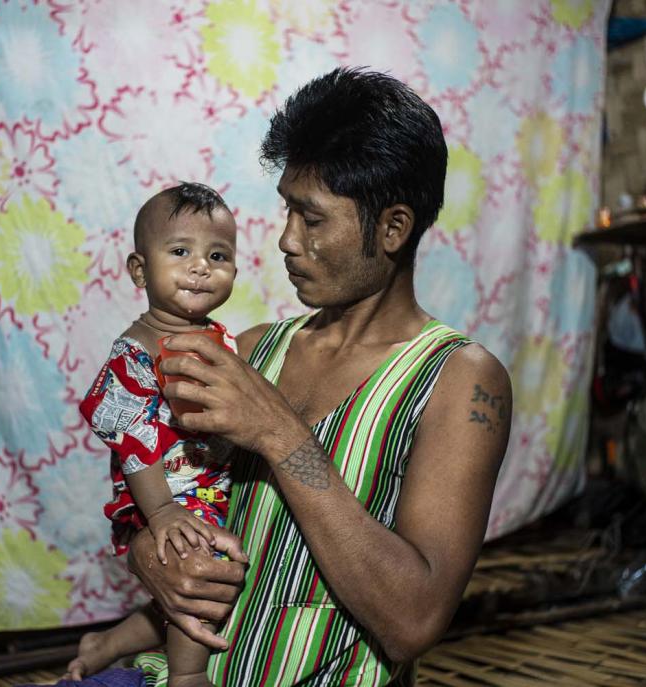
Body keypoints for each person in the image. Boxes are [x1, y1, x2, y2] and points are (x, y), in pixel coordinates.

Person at [86, 67, 511, 686]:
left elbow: (415, 619)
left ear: (392, 228)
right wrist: (153, 551)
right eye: (287, 210)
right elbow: (160, 484)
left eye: (311, 219)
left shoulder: (460, 381)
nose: (286, 240)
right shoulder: (248, 352)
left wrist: (281, 436)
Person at [69, 182, 249, 687]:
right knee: (202, 578)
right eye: (180, 252)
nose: (200, 266)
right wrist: (162, 512)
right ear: (140, 270)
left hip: (208, 487)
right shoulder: (137, 350)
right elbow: (122, 430)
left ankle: (105, 644)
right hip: (159, 495)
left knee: (197, 590)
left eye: (218, 254)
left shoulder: (221, 338)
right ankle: (187, 677)